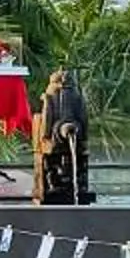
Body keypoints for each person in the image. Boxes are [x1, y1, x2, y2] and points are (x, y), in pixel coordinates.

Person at [40, 67, 94, 205]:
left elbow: (47, 115)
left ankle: (60, 186)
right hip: (72, 130)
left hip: (60, 131)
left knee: (54, 161)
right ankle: (75, 187)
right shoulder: (76, 95)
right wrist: (84, 135)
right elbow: (83, 116)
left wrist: (45, 134)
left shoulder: (51, 94)